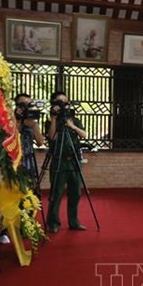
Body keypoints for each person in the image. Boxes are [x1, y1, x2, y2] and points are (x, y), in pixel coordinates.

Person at [45, 91, 87, 233]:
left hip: (74, 162)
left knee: (75, 193)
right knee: (56, 194)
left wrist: (72, 126)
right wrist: (54, 119)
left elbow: (84, 135)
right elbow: (52, 138)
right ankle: (53, 223)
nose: (64, 106)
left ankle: (74, 221)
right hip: (59, 162)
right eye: (59, 103)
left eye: (66, 103)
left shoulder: (74, 120)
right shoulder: (51, 121)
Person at [14, 93, 45, 186]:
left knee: (31, 188)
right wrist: (19, 121)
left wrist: (34, 126)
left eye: (29, 104)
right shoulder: (11, 119)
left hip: (29, 160)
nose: (26, 107)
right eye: (23, 104)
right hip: (14, 159)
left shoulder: (31, 121)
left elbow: (40, 142)